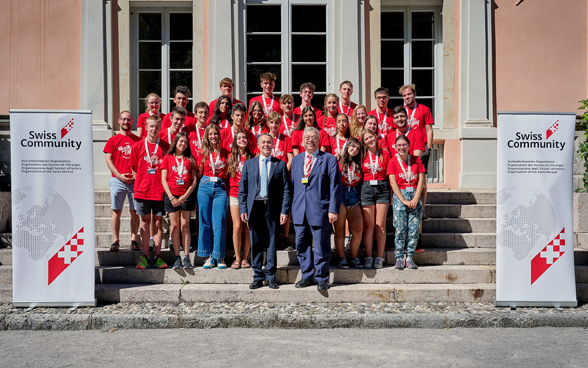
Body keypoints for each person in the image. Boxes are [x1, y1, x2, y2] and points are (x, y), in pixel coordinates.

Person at [290, 127, 341, 290]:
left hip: (320, 210)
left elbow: (335, 187)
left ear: (319, 141)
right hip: (299, 210)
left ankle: (321, 277)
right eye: (307, 137)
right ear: (302, 141)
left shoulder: (329, 159)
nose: (310, 140)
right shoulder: (297, 160)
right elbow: (292, 186)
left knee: (321, 245)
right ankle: (306, 275)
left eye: (314, 137)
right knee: (302, 245)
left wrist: (333, 210)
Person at [239, 133, 292, 290]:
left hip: (272, 208)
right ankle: (257, 276)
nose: (266, 145)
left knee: (271, 243)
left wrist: (284, 211)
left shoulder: (280, 165)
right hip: (254, 207)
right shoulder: (249, 164)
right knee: (255, 243)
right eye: (263, 142)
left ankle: (270, 276)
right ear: (258, 145)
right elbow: (243, 189)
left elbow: (286, 191)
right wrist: (243, 208)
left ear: (273, 144)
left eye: (269, 142)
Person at [130, 115, 171, 269]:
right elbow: (134, 168)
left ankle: (158, 256)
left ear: (160, 128)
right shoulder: (137, 146)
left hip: (160, 191)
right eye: (151, 126)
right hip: (143, 191)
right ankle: (145, 256)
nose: (154, 129)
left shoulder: (166, 147)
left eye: (156, 127)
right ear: (146, 127)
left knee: (158, 223)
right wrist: (140, 182)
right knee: (145, 223)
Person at [104, 111, 141, 252]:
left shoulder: (138, 140)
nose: (126, 122)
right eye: (124, 119)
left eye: (129, 120)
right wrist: (119, 175)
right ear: (119, 121)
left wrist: (135, 176)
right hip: (117, 180)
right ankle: (116, 241)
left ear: (132, 121)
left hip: (134, 181)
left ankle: (133, 240)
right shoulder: (113, 140)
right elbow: (108, 160)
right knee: (116, 211)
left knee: (134, 211)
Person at [387, 134, 425, 270]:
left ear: (409, 145)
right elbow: (392, 182)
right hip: (400, 196)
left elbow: (421, 180)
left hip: (414, 194)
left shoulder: (416, 160)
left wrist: (416, 198)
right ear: (395, 147)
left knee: (414, 229)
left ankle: (409, 257)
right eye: (399, 145)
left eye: (404, 145)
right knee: (400, 228)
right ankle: (399, 257)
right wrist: (402, 200)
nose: (402, 147)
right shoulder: (392, 162)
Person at [161, 132, 198, 269]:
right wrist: (171, 197)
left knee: (185, 226)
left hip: (185, 197)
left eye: (186, 142)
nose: (183, 144)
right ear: (176, 142)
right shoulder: (168, 158)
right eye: (181, 141)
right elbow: (163, 179)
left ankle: (187, 257)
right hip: (171, 197)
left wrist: (185, 196)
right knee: (175, 226)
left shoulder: (190, 159)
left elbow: (193, 180)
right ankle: (177, 257)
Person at [196, 124, 229, 269]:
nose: (213, 136)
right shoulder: (202, 152)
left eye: (215, 134)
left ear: (219, 135)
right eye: (210, 134)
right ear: (207, 136)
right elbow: (198, 173)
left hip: (221, 187)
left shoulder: (225, 152)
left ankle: (219, 255)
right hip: (205, 185)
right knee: (205, 221)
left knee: (220, 221)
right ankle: (209, 255)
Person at [400, 84, 434, 223]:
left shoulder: (424, 109)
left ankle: (423, 208)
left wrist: (429, 148)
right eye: (404, 95)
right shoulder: (401, 111)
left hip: (420, 147)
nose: (407, 97)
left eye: (409, 94)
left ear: (414, 94)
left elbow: (429, 129)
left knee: (422, 179)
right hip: (405, 147)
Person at [360, 128, 391, 269]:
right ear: (364, 142)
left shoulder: (385, 153)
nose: (369, 140)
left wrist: (390, 192)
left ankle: (379, 257)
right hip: (366, 188)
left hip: (382, 187)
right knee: (369, 226)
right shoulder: (362, 154)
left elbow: (390, 174)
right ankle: (368, 256)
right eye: (366, 139)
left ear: (376, 137)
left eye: (371, 137)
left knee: (381, 225)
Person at [265, 112, 294, 250]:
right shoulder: (264, 139)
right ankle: (271, 238)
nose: (274, 125)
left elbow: (290, 159)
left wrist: (282, 173)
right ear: (268, 123)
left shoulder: (286, 139)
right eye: (272, 122)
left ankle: (285, 238)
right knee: (269, 209)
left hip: (282, 179)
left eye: (277, 122)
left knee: (285, 209)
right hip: (267, 180)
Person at [333, 137, 363, 268]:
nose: (355, 150)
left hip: (354, 194)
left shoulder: (359, 163)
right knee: (339, 230)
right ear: (347, 146)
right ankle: (341, 258)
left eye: (357, 148)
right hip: (340, 194)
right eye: (352, 146)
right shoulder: (337, 160)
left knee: (357, 229)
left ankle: (354, 257)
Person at [227, 131, 253, 269]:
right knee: (237, 226)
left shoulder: (252, 158)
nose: (242, 140)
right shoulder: (231, 157)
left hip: (249, 196)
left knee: (247, 227)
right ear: (235, 141)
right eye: (239, 138)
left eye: (244, 138)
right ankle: (237, 257)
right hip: (234, 193)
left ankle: (245, 258)